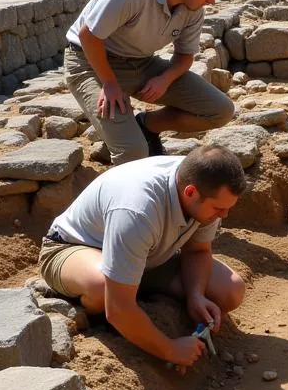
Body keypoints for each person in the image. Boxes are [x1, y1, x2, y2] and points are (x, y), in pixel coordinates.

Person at [38, 144, 248, 370]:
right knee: (103, 288)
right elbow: (118, 308)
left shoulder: (203, 182)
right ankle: (103, 313)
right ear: (190, 192)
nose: (224, 215)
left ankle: (131, 289)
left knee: (230, 290)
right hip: (71, 248)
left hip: (149, 256)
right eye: (218, 209)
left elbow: (197, 250)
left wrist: (195, 295)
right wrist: (170, 349)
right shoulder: (137, 210)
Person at [65, 0, 235, 166]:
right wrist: (109, 83)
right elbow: (88, 36)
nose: (212, 0)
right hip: (90, 62)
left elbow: (185, 55)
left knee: (221, 111)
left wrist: (165, 79)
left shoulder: (193, 8)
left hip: (141, 62)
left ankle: (147, 125)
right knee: (133, 152)